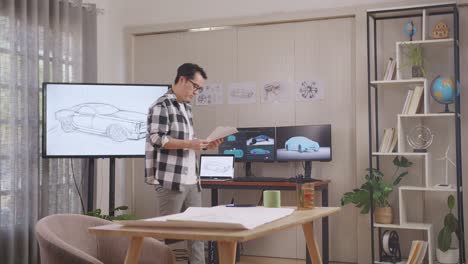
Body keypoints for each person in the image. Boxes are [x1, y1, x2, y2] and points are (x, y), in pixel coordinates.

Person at [145, 63, 222, 264]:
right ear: (181, 80)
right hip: (172, 180)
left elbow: (187, 143)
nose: (196, 92)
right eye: (195, 86)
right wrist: (191, 143)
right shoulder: (161, 106)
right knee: (166, 235)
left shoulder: (186, 108)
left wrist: (205, 145)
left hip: (192, 181)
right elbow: (157, 139)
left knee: (197, 234)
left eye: (199, 89)